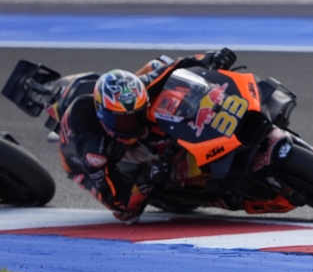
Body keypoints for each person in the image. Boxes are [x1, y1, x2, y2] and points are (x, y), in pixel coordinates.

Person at [57, 49, 237, 223]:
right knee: (130, 207)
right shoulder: (94, 153)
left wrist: (208, 58)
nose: (132, 124)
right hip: (82, 161)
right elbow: (122, 209)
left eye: (137, 114)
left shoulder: (141, 88)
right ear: (105, 116)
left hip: (116, 115)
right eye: (124, 121)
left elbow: (174, 67)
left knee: (157, 64)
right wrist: (148, 178)